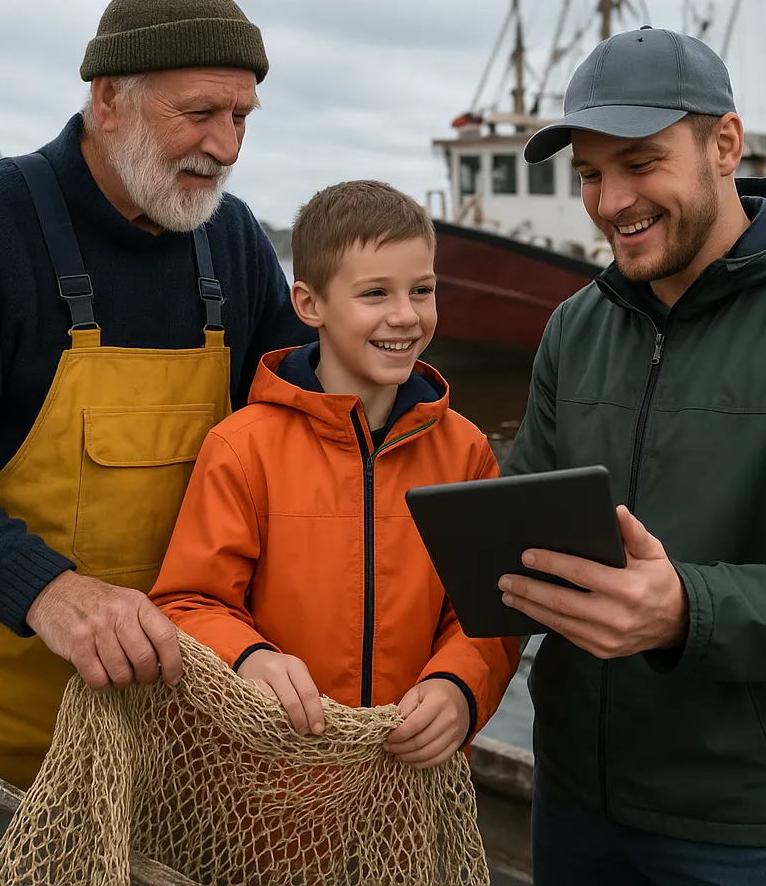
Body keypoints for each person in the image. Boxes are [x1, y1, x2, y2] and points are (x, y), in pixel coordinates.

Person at [0, 0, 311, 789]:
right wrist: (49, 593)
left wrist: (381, 353)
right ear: (108, 100)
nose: (226, 146)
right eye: (201, 113)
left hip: (177, 724)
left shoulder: (234, 240)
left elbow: (299, 419)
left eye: (243, 116)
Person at [498, 26, 766, 885]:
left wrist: (685, 610)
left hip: (754, 828)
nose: (610, 202)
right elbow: (516, 520)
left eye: (640, 163)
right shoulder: (575, 325)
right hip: (574, 796)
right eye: (592, 175)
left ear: (724, 144)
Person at [151, 181, 519, 766]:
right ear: (309, 305)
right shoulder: (244, 448)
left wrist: (459, 686)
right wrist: (249, 658)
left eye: (422, 290)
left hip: (402, 791)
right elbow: (188, 602)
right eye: (374, 293)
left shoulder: (468, 452)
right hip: (264, 791)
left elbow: (487, 611)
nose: (405, 315)